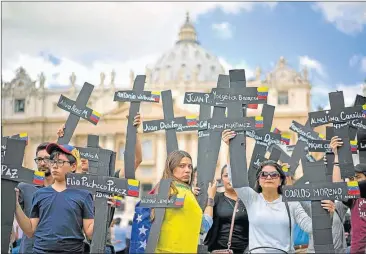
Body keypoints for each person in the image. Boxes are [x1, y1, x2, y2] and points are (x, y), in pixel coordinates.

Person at [222, 129, 335, 253]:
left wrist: (327, 214)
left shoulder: (291, 202)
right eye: (264, 174)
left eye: (274, 174)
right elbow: (235, 179)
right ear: (259, 180)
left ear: (281, 180)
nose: (269, 177)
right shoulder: (252, 198)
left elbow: (310, 227)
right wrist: (230, 147)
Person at [14, 143, 112, 253]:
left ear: (73, 166)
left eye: (60, 162)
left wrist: (104, 209)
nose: (54, 166)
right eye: (52, 161)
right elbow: (30, 231)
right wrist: (16, 206)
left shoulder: (84, 194)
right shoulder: (39, 194)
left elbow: (89, 233)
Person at [131, 150, 217, 253]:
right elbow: (204, 226)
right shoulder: (186, 195)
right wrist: (210, 199)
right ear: (171, 168)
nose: (187, 170)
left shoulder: (159, 189)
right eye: (182, 166)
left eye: (189, 166)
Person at [330, 136, 366, 254]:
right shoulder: (354, 196)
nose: (354, 180)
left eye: (358, 177)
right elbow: (338, 187)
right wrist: (336, 155)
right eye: (352, 178)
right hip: (358, 250)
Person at [16, 142, 54, 253]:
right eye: (39, 159)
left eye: (47, 159)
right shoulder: (24, 187)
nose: (42, 163)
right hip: (30, 249)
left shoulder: (63, 188)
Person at [204, 164, 249, 254]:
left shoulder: (249, 200)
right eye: (226, 175)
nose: (230, 179)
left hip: (244, 250)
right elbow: (205, 224)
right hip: (218, 250)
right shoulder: (215, 198)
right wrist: (210, 197)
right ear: (221, 179)